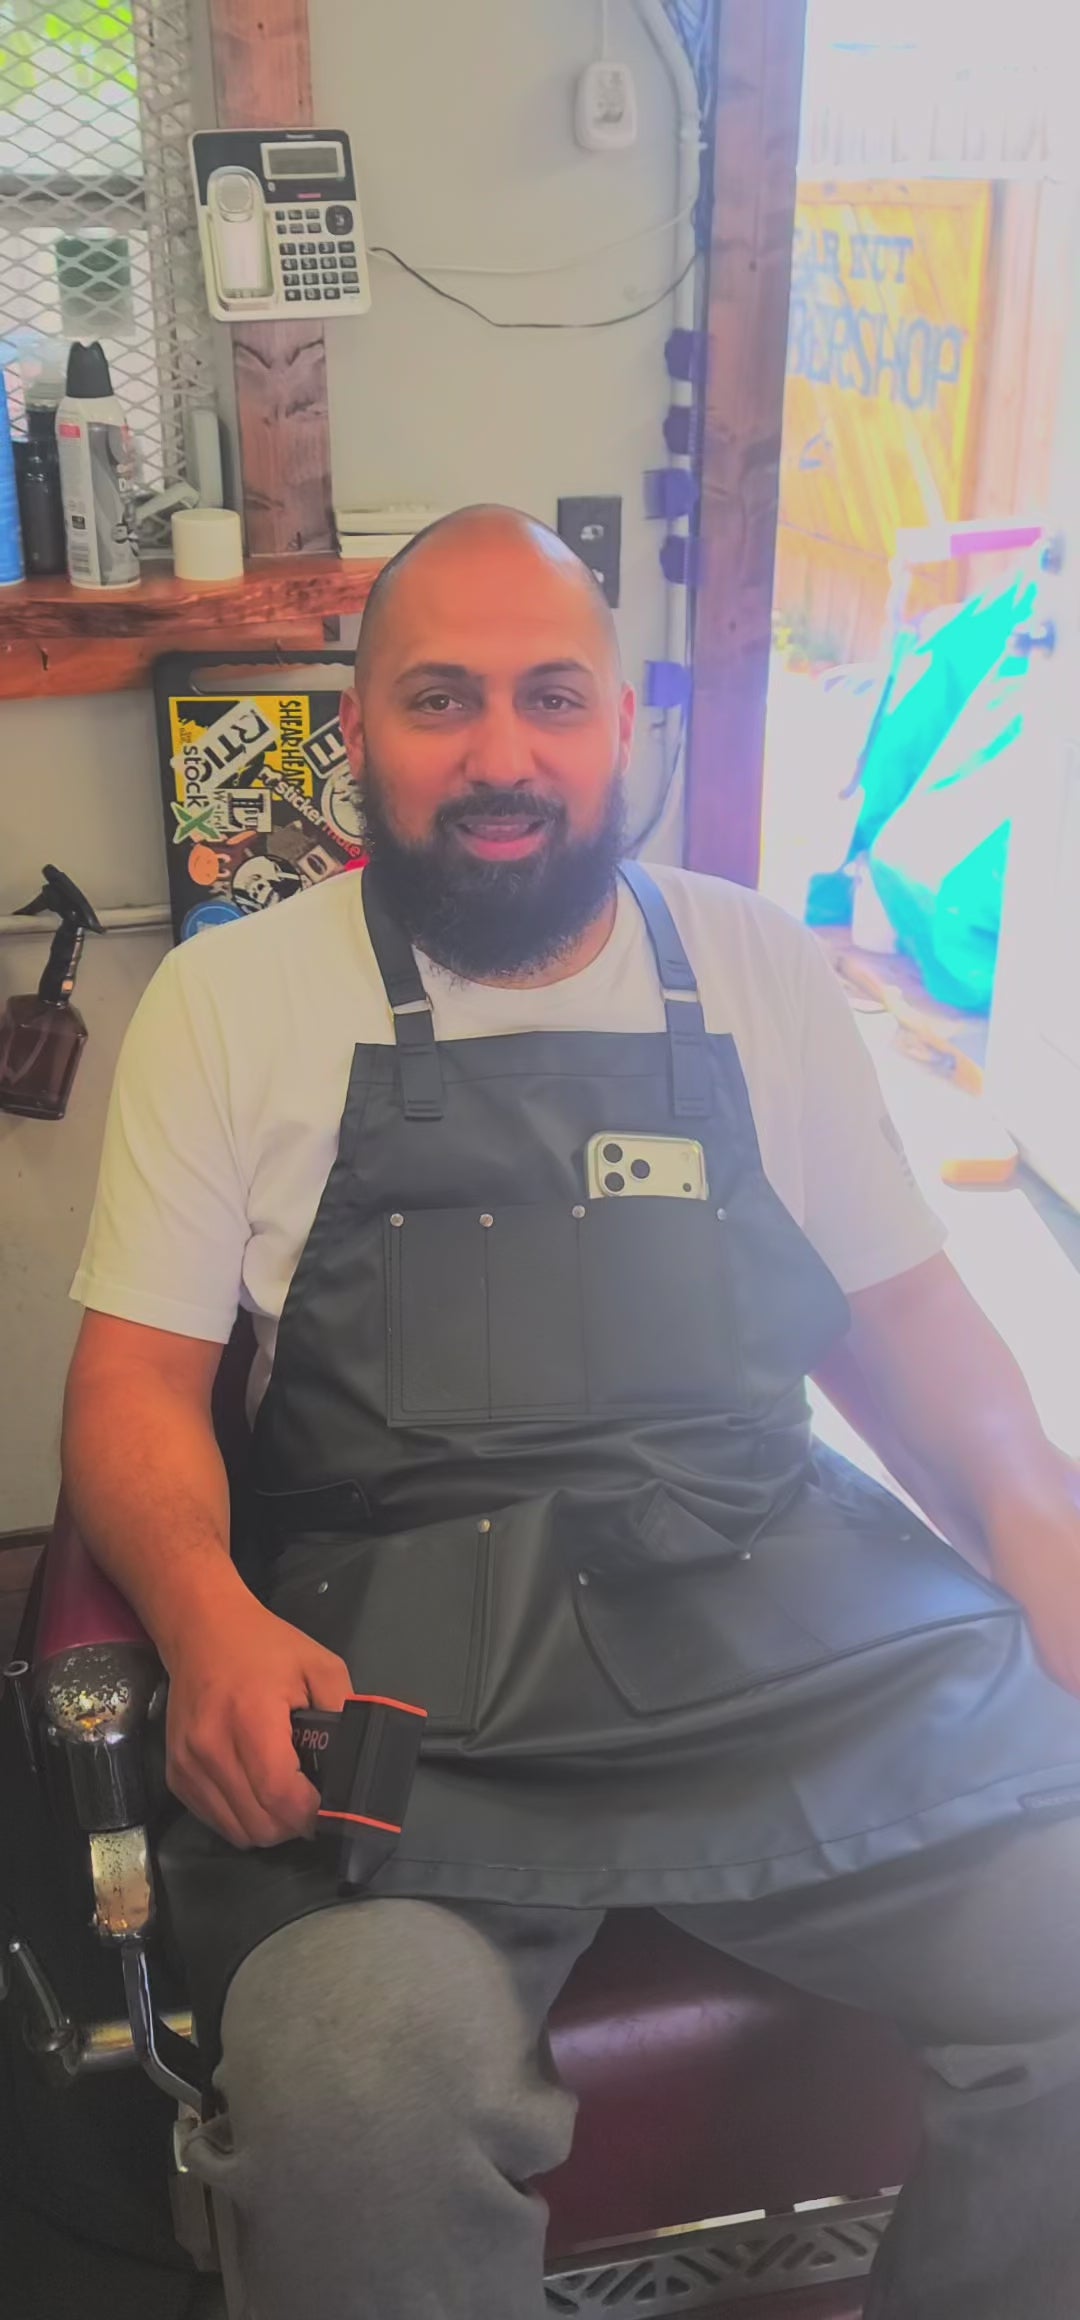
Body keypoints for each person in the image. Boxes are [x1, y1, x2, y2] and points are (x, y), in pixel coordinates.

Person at [64, 507, 1080, 2320]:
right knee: (354, 2079)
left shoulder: (759, 964)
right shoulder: (231, 1001)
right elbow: (135, 1382)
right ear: (356, 729)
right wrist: (208, 1616)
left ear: (630, 726)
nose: (502, 754)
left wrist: (1040, 1526)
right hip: (405, 1681)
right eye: (441, 700)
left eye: (553, 698)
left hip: (772, 1621)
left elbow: (912, 1325)